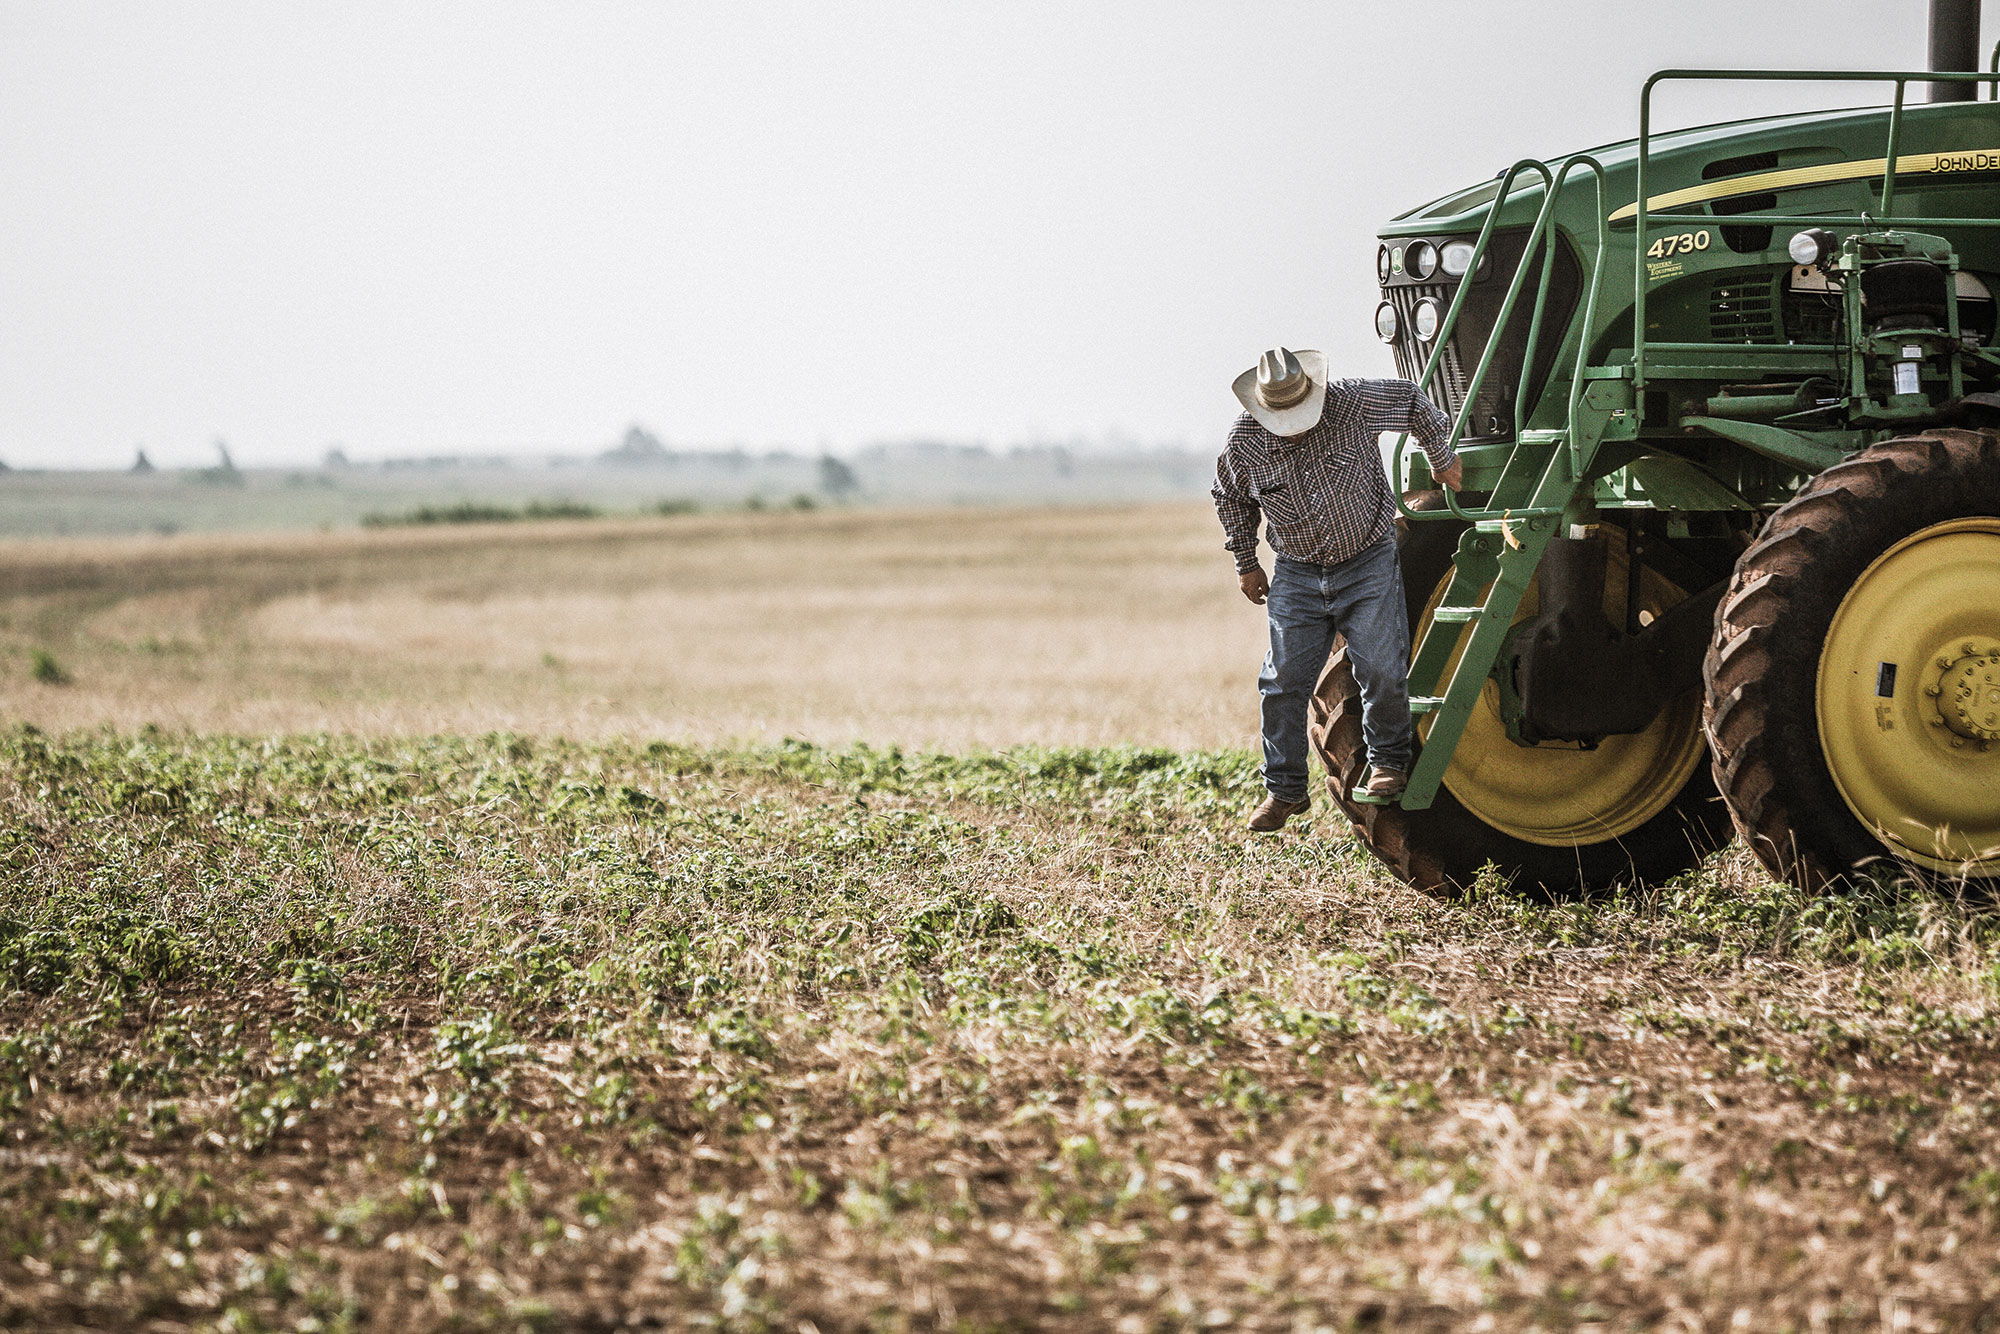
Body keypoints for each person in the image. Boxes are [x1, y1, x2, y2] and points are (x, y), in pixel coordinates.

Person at [1212, 347, 1463, 832]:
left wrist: (1441, 456)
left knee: (1381, 667)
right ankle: (1284, 790)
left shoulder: (1351, 402)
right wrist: (1246, 563)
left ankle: (1389, 760)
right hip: (1297, 572)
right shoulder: (1244, 441)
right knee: (1281, 681)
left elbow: (1412, 399)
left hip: (1366, 561)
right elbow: (1229, 496)